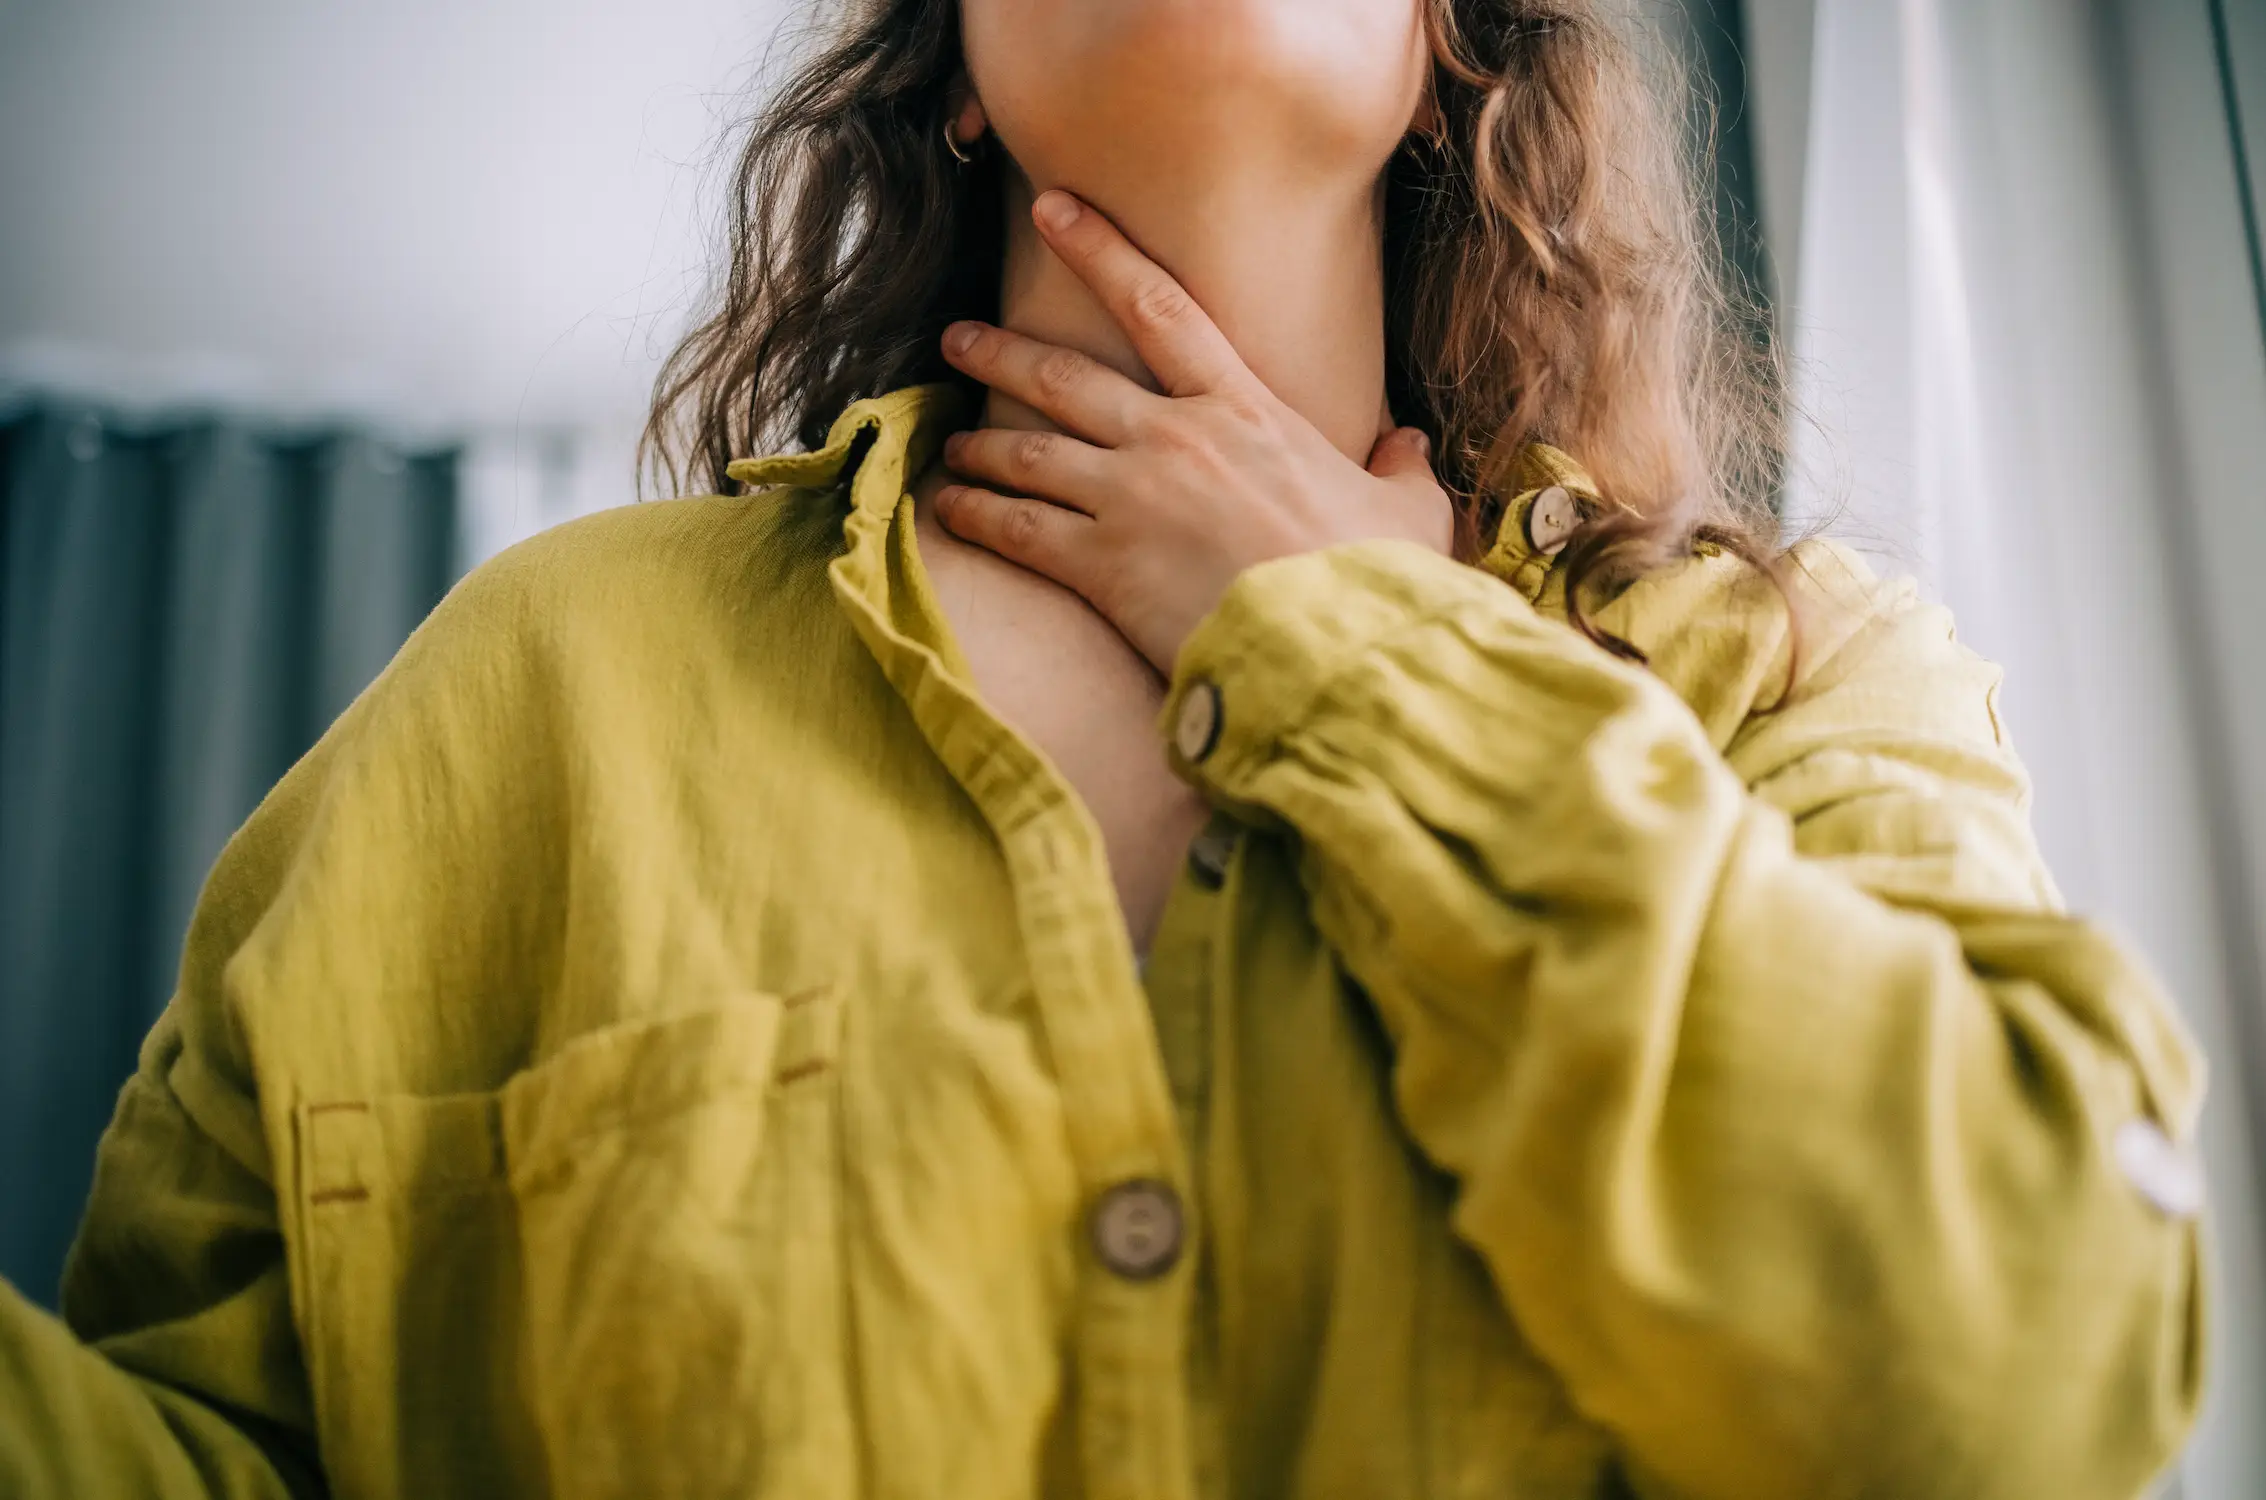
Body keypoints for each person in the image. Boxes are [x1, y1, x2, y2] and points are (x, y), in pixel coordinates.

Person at [0, 0, 2210, 1495]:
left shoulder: (1797, 680)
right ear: (955, 65)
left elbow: (2032, 1368)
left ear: (1450, 41)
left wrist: (1339, 641)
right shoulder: (524, 692)